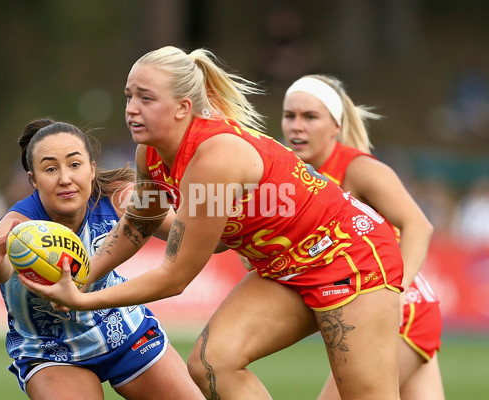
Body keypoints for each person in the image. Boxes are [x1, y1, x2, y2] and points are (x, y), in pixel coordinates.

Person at [20, 46, 407, 399]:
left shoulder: (214, 159)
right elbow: (140, 223)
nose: (131, 109)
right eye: (129, 96)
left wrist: (83, 300)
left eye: (146, 98)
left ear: (183, 108)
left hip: (350, 257)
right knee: (211, 364)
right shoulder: (149, 152)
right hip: (285, 268)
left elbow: (174, 277)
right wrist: (83, 275)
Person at [0, 118, 203, 400]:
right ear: (33, 179)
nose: (65, 178)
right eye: (50, 169)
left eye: (74, 164)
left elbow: (190, 232)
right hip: (51, 351)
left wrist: (236, 226)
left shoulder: (122, 196)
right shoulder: (18, 225)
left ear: (92, 168)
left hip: (123, 331)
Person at [281, 75, 444, 399]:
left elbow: (419, 226)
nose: (297, 126)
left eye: (310, 117)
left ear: (335, 127)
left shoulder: (358, 169)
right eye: (290, 116)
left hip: (404, 309)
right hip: (382, 311)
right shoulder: (288, 175)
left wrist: (394, 294)